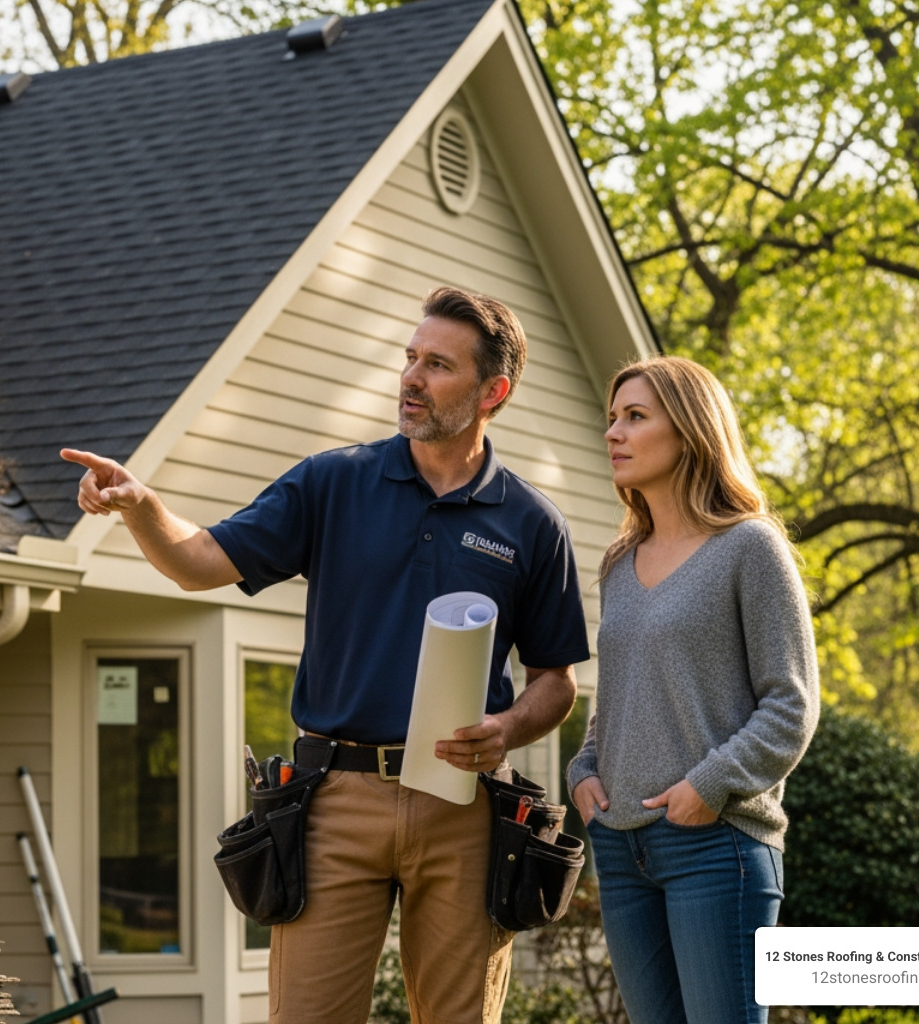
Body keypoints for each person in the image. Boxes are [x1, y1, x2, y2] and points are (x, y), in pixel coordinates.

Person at [62, 286, 590, 1023]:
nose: (411, 378)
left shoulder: (532, 523)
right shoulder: (333, 482)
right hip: (336, 798)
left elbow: (556, 681)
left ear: (491, 391)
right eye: (410, 357)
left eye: (438, 365)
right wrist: (143, 506)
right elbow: (199, 562)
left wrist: (507, 729)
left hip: (464, 806)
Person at [567, 355, 820, 1024]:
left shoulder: (750, 548)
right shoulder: (619, 563)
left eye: (635, 417)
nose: (613, 432)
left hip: (716, 845)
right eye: (612, 418)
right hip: (621, 847)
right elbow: (620, 697)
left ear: (689, 431)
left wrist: (711, 785)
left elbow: (791, 704)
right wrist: (584, 768)